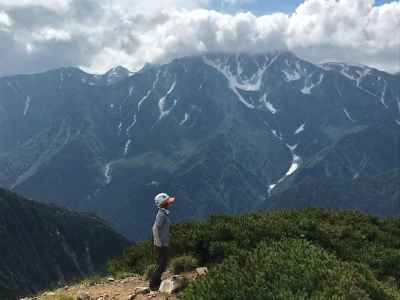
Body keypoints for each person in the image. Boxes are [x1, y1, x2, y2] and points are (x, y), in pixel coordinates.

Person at [149, 192, 175, 291]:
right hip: (161, 245)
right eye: (167, 202)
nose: (169, 203)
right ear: (163, 203)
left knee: (162, 264)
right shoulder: (161, 215)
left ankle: (156, 282)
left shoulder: (163, 213)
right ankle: (153, 285)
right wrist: (158, 242)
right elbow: (155, 228)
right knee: (161, 265)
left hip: (163, 243)